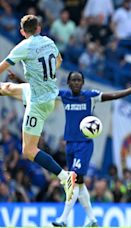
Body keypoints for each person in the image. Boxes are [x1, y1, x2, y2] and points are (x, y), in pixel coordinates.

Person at [4, 71, 131, 226]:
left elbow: (112, 95)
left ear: (83, 82)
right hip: (70, 145)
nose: (76, 83)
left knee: (72, 180)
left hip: (84, 145)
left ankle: (63, 219)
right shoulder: (64, 95)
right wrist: (19, 80)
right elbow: (40, 92)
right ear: (68, 83)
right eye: (73, 80)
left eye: (79, 80)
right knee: (79, 183)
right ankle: (92, 219)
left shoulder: (90, 96)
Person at [0, 15, 76, 202]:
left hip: (38, 103)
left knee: (28, 150)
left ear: (22, 32)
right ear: (39, 28)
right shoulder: (49, 41)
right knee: (6, 88)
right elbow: (58, 61)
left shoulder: (23, 46)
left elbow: (2, 67)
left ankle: (64, 176)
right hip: (45, 94)